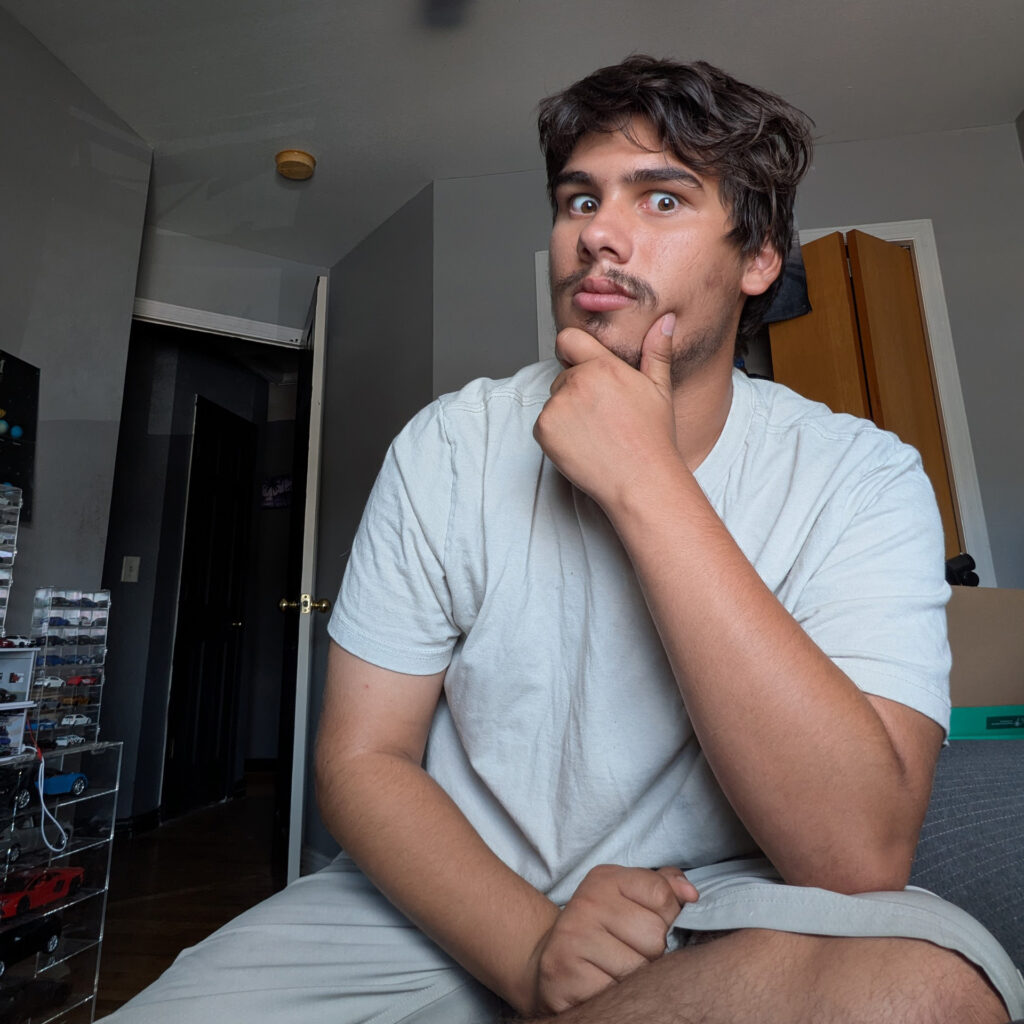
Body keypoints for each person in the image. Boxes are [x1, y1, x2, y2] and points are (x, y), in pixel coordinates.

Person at [102, 56, 1024, 1024]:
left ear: (757, 259)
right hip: (435, 901)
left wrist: (646, 484)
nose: (597, 235)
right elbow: (364, 756)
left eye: (661, 199)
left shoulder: (860, 474)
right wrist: (531, 947)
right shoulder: (451, 443)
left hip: (713, 902)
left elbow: (853, 856)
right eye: (578, 199)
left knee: (922, 990)